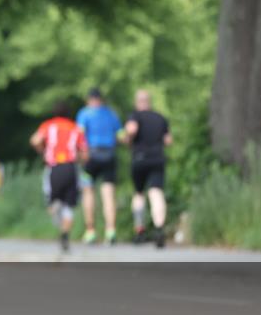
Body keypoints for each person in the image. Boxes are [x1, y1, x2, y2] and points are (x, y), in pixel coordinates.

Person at [30, 101, 89, 252]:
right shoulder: (75, 128)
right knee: (69, 205)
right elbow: (85, 153)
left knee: (52, 200)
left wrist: (43, 151)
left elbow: (35, 140)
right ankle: (65, 234)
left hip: (53, 167)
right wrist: (80, 160)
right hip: (70, 168)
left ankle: (55, 207)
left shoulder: (48, 125)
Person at [124, 89, 172, 248]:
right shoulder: (160, 118)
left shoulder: (135, 116)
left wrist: (127, 139)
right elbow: (168, 140)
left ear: (137, 102)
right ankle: (159, 228)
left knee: (139, 194)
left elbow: (131, 130)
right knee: (156, 192)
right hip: (157, 158)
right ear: (149, 102)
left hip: (140, 159)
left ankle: (140, 231)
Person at [75, 88, 123, 245]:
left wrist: (80, 154)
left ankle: (90, 231)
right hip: (109, 156)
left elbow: (80, 135)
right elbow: (121, 135)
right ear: (101, 99)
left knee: (88, 192)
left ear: (88, 99)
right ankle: (111, 230)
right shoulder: (111, 114)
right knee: (108, 194)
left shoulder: (84, 113)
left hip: (91, 157)